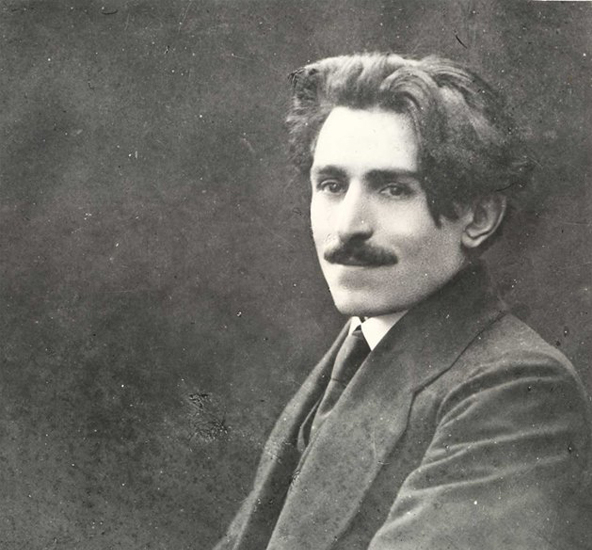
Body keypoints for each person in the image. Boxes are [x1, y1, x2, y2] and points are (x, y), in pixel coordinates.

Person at [214, 53, 592, 550]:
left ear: (478, 218)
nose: (349, 226)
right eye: (331, 185)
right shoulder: (358, 345)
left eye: (393, 189)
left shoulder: (515, 390)